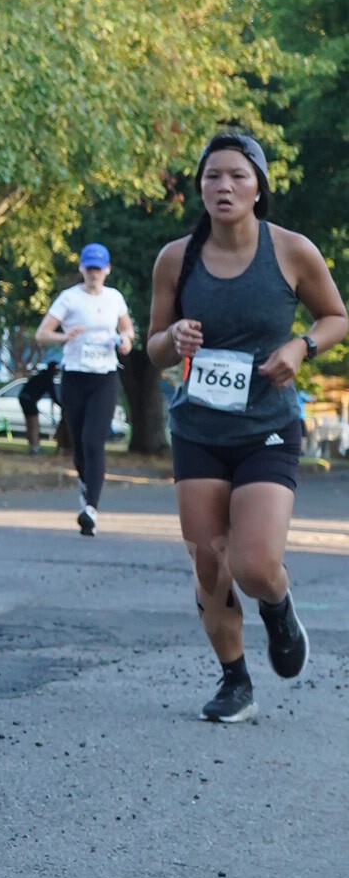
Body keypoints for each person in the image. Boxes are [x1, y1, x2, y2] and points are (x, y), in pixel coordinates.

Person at [146, 129, 345, 724]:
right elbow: (154, 349)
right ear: (200, 188)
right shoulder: (176, 258)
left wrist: (302, 347)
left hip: (267, 428)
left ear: (259, 187)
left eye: (238, 175)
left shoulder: (292, 251)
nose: (224, 186)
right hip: (199, 430)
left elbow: (336, 317)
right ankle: (235, 681)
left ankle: (278, 606)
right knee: (210, 565)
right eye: (213, 176)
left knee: (254, 565)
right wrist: (173, 337)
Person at [35, 244, 134, 534]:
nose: (94, 274)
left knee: (94, 441)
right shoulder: (70, 299)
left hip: (105, 377)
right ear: (81, 269)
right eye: (89, 268)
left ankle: (91, 508)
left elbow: (127, 329)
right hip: (75, 377)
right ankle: (85, 483)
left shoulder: (114, 298)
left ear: (107, 270)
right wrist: (64, 337)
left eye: (98, 269)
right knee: (79, 444)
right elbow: (42, 334)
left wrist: (125, 341)